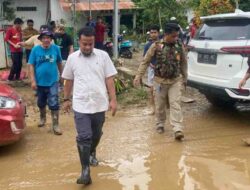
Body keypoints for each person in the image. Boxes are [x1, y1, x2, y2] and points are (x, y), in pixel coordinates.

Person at [62, 27, 117, 185]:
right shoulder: (72, 58)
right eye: (84, 44)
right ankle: (85, 171)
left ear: (94, 42)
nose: (87, 47)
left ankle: (92, 151)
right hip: (81, 105)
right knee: (84, 137)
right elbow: (68, 80)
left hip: (99, 103)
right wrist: (66, 99)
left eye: (90, 44)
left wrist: (113, 100)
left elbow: (109, 79)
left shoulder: (103, 56)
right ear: (79, 41)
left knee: (96, 134)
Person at [133, 23, 187, 140]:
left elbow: (183, 62)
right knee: (160, 105)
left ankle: (177, 128)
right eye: (173, 36)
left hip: (175, 80)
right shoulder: (156, 46)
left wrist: (185, 78)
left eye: (177, 36)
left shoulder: (179, 45)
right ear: (166, 35)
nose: (175, 38)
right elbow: (145, 61)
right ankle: (160, 123)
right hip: (159, 81)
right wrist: (138, 76)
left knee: (175, 103)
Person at [28, 28, 63, 135]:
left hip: (53, 81)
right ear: (41, 39)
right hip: (39, 82)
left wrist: (62, 76)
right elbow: (31, 65)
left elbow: (59, 63)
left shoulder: (56, 49)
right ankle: (42, 118)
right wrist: (33, 80)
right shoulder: (35, 50)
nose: (46, 40)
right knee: (41, 102)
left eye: (48, 38)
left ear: (51, 39)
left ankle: (55, 124)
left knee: (54, 102)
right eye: (44, 38)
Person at [144, 25, 160, 115]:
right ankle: (153, 109)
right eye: (152, 32)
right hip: (151, 69)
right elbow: (145, 58)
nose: (153, 34)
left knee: (161, 90)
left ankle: (161, 107)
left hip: (162, 70)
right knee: (151, 89)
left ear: (158, 33)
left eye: (155, 32)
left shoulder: (162, 43)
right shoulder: (147, 45)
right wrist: (151, 65)